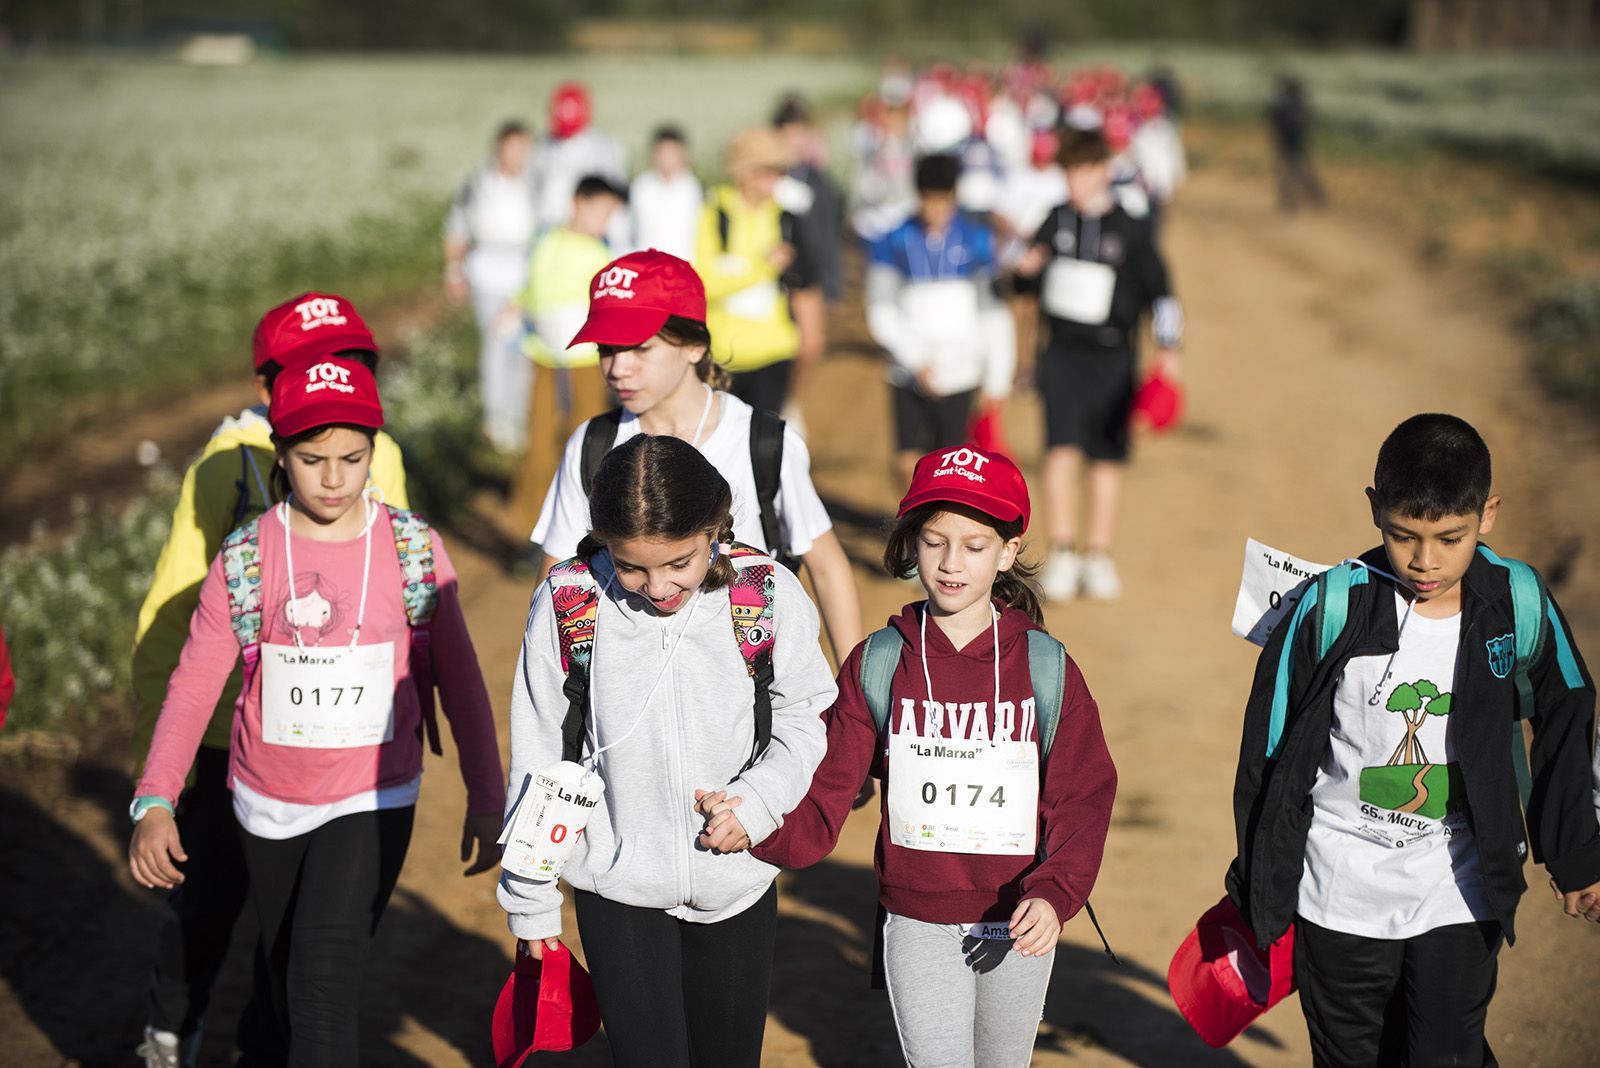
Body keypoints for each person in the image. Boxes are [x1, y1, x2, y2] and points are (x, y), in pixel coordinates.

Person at [128, 360, 505, 1065]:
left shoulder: (413, 549)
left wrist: (488, 795)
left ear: (374, 453)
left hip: (372, 794)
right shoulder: (246, 558)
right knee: (281, 983)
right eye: (312, 459)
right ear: (281, 454)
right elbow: (194, 683)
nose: (334, 478)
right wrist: (155, 796)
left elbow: (461, 682)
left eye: (352, 458)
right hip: (265, 799)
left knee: (321, 987)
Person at [1226, 414, 1600, 1067]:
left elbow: (1568, 708)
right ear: (1376, 510)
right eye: (1404, 536)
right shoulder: (1331, 609)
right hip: (1336, 895)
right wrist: (1265, 887)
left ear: (1488, 515)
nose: (1425, 560)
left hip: (1458, 889)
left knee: (1445, 1054)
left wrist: (1577, 855)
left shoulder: (1516, 603)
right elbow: (1269, 752)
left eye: (1449, 538)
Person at [734, 445, 1117, 1067]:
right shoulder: (880, 662)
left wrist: (1054, 892)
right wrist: (756, 825)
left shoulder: (1047, 668)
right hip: (916, 919)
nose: (950, 563)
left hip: (1019, 916)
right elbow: (829, 786)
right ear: (912, 543)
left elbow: (1083, 794)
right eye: (934, 542)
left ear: (1008, 551)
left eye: (974, 545)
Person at [129, 292, 411, 1068]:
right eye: (310, 367)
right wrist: (165, 755)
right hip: (230, 738)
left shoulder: (376, 455)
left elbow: (402, 590)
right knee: (210, 897)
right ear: (266, 388)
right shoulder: (224, 467)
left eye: (355, 362)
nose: (335, 376)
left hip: (341, 748)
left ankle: (266, 1045)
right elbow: (177, 602)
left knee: (303, 936)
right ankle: (169, 1028)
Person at [499, 433, 838, 1068]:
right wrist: (531, 901)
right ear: (602, 540)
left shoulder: (765, 594)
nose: (657, 587)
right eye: (631, 566)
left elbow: (808, 717)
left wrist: (760, 803)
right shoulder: (569, 602)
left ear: (716, 527)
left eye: (679, 562)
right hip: (615, 883)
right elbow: (540, 752)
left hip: (737, 880)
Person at [529, 250, 863, 665]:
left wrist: (855, 691)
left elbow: (827, 569)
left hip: (749, 684)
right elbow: (557, 579)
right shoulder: (592, 445)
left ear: (694, 346)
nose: (617, 368)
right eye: (606, 349)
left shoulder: (761, 440)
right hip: (631, 684)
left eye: (639, 349)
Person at [1018, 128, 1183, 603]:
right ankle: (1063, 552)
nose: (1073, 181)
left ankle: (1098, 554)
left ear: (1104, 171)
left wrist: (1167, 360)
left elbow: (1163, 295)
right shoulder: (1054, 221)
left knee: (1105, 459)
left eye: (1082, 171)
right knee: (1059, 452)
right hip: (1061, 355)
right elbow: (1022, 282)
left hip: (1113, 357)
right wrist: (1023, 269)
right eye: (1066, 171)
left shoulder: (1130, 229)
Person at [866, 153, 1014, 482]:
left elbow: (993, 311)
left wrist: (997, 377)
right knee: (907, 463)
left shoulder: (978, 240)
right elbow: (880, 307)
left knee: (947, 468)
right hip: (908, 372)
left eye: (943, 201)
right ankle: (913, 525)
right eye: (929, 201)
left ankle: (928, 530)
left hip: (960, 373)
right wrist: (916, 360)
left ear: (954, 196)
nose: (936, 211)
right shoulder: (893, 239)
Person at [505, 175, 627, 533]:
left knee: (587, 439)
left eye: (609, 216)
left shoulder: (601, 252)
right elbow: (531, 286)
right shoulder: (546, 241)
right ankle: (526, 528)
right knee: (539, 439)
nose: (603, 222)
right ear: (578, 203)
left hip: (585, 360)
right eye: (599, 212)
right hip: (542, 355)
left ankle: (590, 526)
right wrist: (515, 307)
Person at [696, 126, 815, 417]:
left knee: (764, 448)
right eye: (768, 171)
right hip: (724, 354)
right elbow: (704, 284)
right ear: (745, 173)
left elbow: (804, 280)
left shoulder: (786, 218)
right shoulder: (715, 214)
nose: (776, 180)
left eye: (780, 171)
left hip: (776, 351)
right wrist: (763, 267)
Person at [444, 120, 539, 452]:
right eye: (513, 147)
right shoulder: (477, 183)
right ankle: (497, 420)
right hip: (487, 273)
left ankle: (520, 417)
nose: (518, 155)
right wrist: (454, 270)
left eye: (523, 148)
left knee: (524, 348)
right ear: (499, 147)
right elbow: (457, 228)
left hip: (524, 275)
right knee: (496, 345)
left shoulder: (534, 183)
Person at [532, 82, 628, 242]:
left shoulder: (607, 149)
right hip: (553, 232)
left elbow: (617, 197)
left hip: (595, 236)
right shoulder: (542, 149)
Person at [629, 125, 702, 262]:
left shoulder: (692, 187)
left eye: (672, 153)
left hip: (683, 262)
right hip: (648, 263)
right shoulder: (642, 186)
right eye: (662, 153)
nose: (666, 159)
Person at [1268, 75, 1326, 214]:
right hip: (1297, 143)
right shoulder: (1299, 104)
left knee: (1291, 174)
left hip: (1288, 144)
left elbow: (1275, 124)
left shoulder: (1284, 105)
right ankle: (1313, 197)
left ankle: (1292, 201)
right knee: (1301, 172)